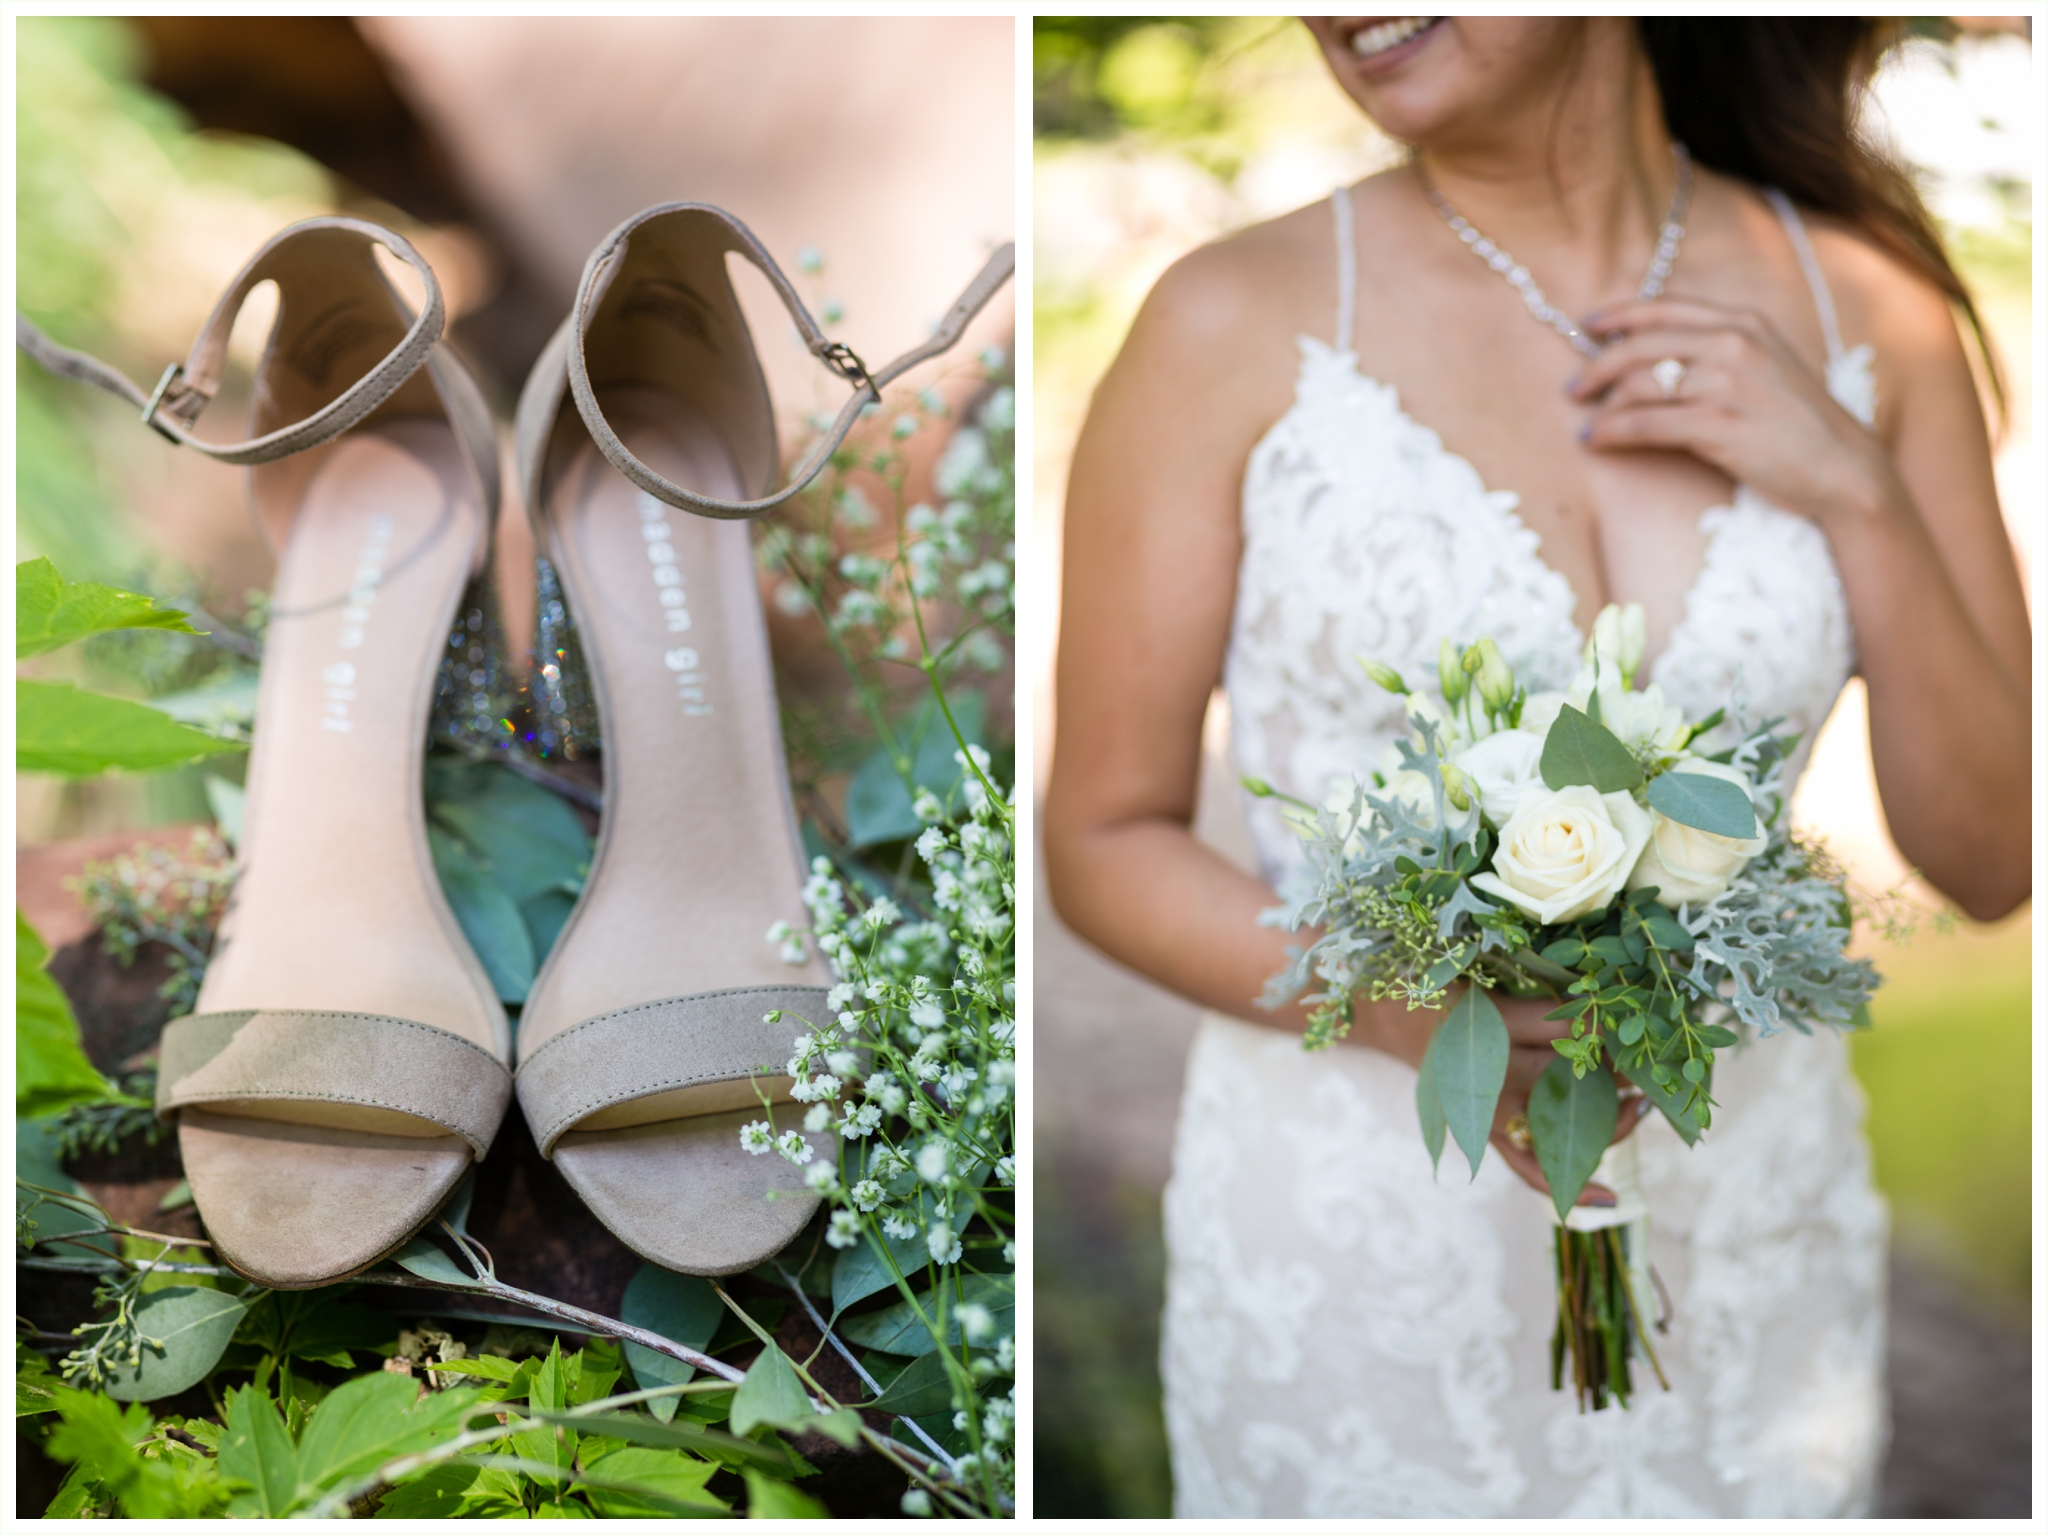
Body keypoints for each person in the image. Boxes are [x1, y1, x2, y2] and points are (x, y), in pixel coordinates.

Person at [1042, 17, 2029, 1518]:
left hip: (1749, 1240)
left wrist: (1856, 489)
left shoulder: (1871, 319)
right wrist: (1408, 1009)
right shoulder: (1226, 323)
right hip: (1360, 1255)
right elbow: (1103, 838)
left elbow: (1993, 854)